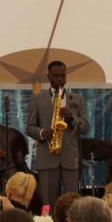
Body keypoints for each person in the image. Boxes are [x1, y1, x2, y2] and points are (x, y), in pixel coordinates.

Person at [26, 61, 89, 206]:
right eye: (56, 76)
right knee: (47, 202)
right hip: (47, 156)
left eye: (63, 75)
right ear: (48, 76)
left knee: (73, 202)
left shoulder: (77, 99)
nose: (60, 79)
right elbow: (29, 127)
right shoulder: (37, 99)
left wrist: (72, 117)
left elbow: (85, 128)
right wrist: (42, 132)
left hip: (70, 157)